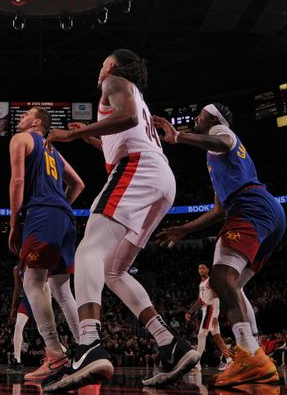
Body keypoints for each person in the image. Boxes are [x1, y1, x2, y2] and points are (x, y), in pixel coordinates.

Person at [43, 49, 197, 392]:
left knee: (88, 252)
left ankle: (88, 344)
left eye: (102, 63)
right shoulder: (133, 95)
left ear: (112, 66)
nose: (98, 69)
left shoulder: (115, 82)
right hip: (161, 180)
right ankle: (170, 343)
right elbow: (122, 137)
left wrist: (69, 136)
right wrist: (89, 136)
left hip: (138, 170)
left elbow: (126, 119)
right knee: (114, 271)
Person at [153, 104, 285, 387]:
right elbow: (218, 210)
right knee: (232, 285)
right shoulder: (216, 159)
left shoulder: (220, 132)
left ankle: (248, 354)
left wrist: (179, 138)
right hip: (265, 211)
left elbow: (222, 140)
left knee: (221, 277)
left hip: (250, 207)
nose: (196, 118)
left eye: (200, 114)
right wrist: (185, 230)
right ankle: (256, 352)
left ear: (213, 118)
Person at [8, 107, 85, 382]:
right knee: (61, 288)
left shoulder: (21, 140)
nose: (21, 117)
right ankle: (87, 349)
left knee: (32, 282)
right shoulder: (53, 149)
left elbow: (17, 181)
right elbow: (78, 185)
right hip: (66, 217)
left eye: (26, 113)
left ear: (36, 122)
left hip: (42, 214)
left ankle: (54, 351)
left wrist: (14, 224)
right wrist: (61, 205)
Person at [185, 263, 232, 371]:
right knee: (217, 337)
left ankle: (197, 362)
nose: (201, 269)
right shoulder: (201, 284)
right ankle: (229, 360)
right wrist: (190, 311)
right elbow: (199, 301)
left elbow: (216, 298)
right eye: (199, 268)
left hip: (211, 309)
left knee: (202, 334)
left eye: (203, 268)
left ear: (208, 270)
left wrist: (215, 315)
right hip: (205, 309)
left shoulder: (210, 281)